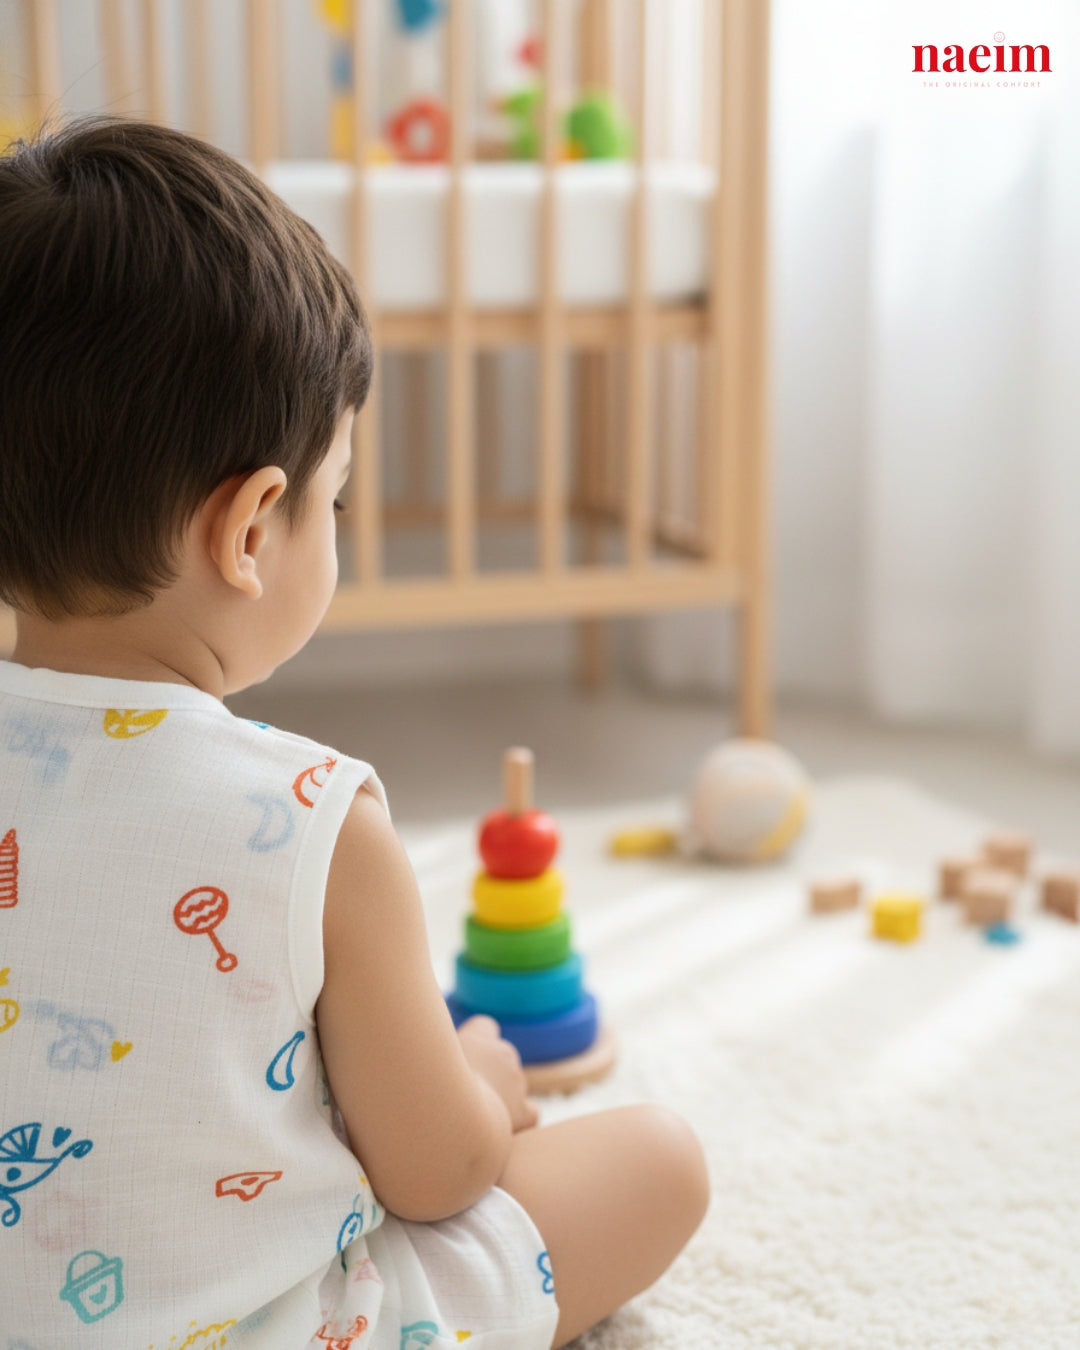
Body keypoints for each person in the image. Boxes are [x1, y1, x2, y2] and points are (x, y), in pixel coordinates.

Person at [0, 117, 709, 1350]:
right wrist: (484, 1086)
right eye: (333, 495)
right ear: (250, 528)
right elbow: (434, 1174)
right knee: (659, 1156)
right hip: (269, 1326)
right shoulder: (316, 816)